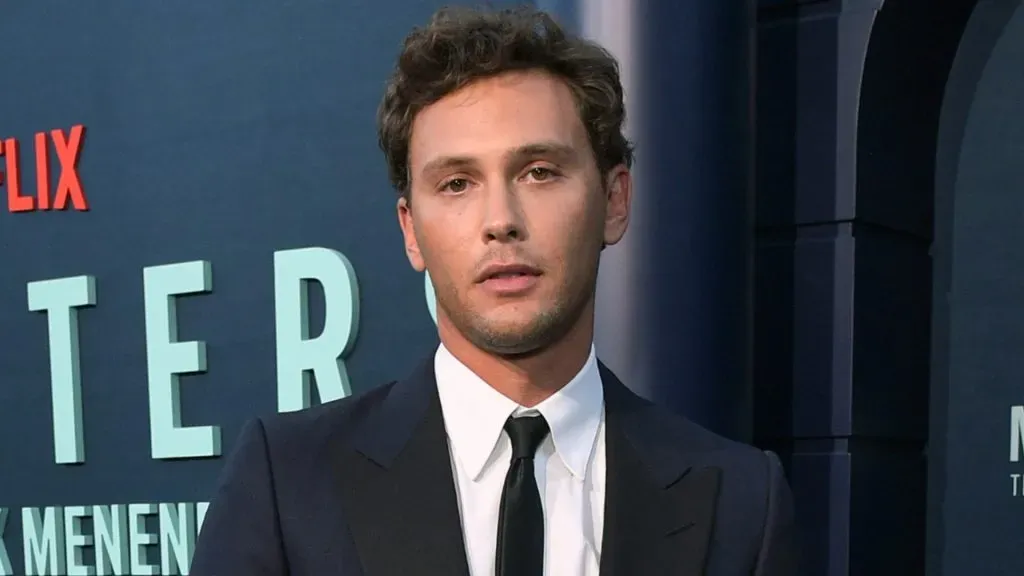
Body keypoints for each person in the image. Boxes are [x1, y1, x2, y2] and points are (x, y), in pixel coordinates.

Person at [190, 5, 798, 576]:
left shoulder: (743, 499)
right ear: (411, 231)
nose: (500, 218)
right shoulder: (287, 482)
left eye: (539, 172)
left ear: (614, 202)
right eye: (457, 183)